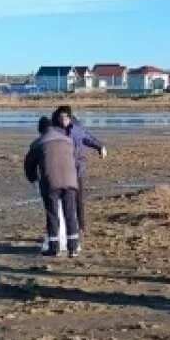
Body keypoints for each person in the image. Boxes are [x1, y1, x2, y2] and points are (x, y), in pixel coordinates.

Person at [24, 118, 81, 258]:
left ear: (40, 129)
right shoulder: (68, 141)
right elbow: (76, 160)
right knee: (70, 213)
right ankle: (73, 248)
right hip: (70, 182)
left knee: (52, 214)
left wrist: (34, 180)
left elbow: (29, 165)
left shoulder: (38, 143)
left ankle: (54, 247)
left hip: (50, 183)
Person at [55, 106, 107, 234]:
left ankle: (81, 226)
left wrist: (100, 147)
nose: (63, 120)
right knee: (64, 199)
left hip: (78, 168)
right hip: (62, 170)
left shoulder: (77, 129)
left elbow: (88, 139)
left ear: (70, 117)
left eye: (65, 117)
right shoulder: (54, 131)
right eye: (61, 118)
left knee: (79, 198)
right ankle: (63, 227)